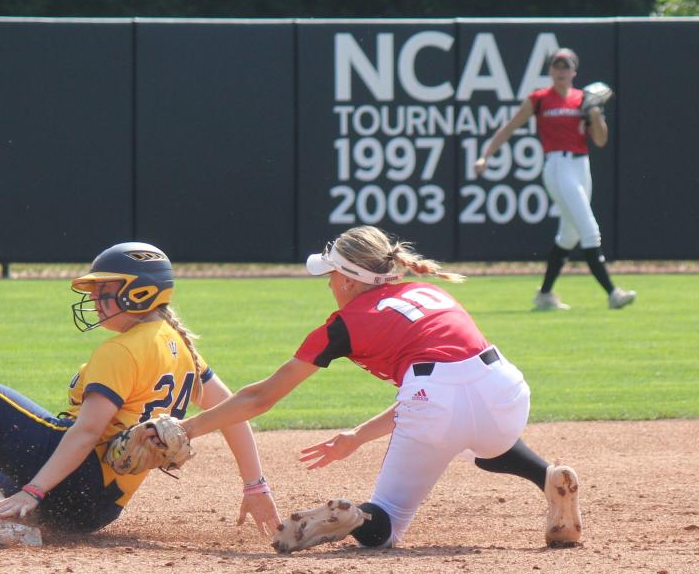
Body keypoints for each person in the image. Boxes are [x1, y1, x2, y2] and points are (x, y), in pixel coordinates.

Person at [179, 225, 582, 553]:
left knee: (384, 525)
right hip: (504, 394)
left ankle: (354, 517)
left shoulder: (344, 323)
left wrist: (189, 429)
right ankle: (548, 476)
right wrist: (358, 436)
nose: (329, 283)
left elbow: (259, 397)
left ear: (351, 280)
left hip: (434, 404)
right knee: (487, 445)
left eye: (331, 274)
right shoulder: (430, 293)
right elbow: (455, 384)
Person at [0, 242, 280, 536]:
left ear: (140, 293)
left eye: (104, 289)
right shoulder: (184, 352)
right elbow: (233, 413)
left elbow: (87, 431)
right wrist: (255, 486)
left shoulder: (122, 350)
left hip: (72, 478)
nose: (94, 299)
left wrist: (34, 490)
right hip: (96, 511)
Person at [474, 47, 635, 311]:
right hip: (558, 166)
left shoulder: (584, 99)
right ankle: (613, 293)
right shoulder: (539, 99)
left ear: (574, 71)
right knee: (589, 229)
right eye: (556, 66)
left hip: (581, 165)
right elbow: (510, 127)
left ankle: (545, 294)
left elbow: (600, 140)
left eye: (566, 67)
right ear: (550, 71)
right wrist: (486, 155)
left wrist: (595, 114)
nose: (561, 71)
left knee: (569, 236)